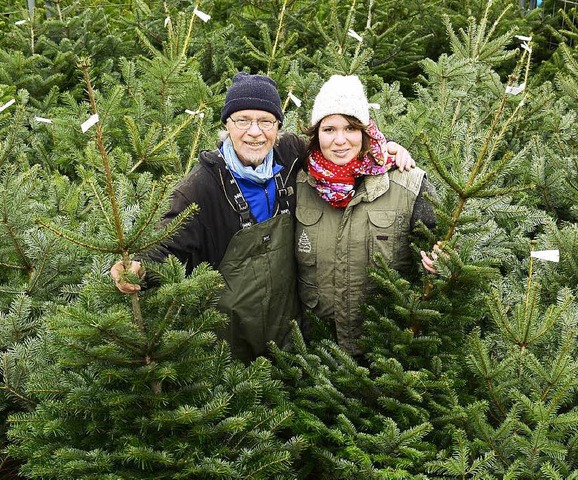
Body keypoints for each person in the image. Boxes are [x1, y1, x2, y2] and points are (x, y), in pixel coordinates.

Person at [111, 72, 416, 362]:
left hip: (291, 341)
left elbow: (341, 144)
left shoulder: (292, 155)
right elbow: (170, 240)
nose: (254, 132)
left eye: (265, 121)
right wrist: (137, 267)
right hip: (229, 347)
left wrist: (385, 150)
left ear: (278, 128)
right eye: (243, 120)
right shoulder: (202, 186)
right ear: (227, 125)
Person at [294, 75, 437, 356]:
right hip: (314, 355)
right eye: (329, 129)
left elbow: (439, 255)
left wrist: (441, 263)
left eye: (350, 128)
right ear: (315, 134)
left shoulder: (408, 184)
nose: (340, 140)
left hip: (386, 353)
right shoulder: (297, 183)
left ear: (366, 131)